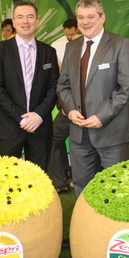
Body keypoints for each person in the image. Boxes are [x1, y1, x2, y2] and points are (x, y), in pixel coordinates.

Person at [57, 0, 129, 197]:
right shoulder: (72, 47)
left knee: (116, 188)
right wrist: (70, 110)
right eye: (81, 17)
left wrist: (101, 116)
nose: (85, 22)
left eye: (90, 16)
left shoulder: (120, 44)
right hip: (79, 132)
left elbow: (126, 88)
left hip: (111, 131)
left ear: (102, 17)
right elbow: (63, 85)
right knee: (82, 188)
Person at [0, 0, 59, 169]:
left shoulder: (49, 52)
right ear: (14, 22)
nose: (25, 21)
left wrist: (38, 115)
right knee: (6, 178)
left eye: (30, 17)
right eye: (20, 17)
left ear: (37, 21)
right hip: (8, 127)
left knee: (38, 177)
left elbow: (54, 87)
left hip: (39, 126)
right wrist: (22, 118)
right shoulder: (0, 50)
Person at [48, 19, 79, 193]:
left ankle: (66, 181)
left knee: (79, 143)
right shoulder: (56, 45)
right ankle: (63, 176)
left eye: (72, 34)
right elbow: (62, 82)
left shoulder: (82, 45)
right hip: (68, 108)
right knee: (55, 138)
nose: (70, 37)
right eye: (67, 34)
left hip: (77, 110)